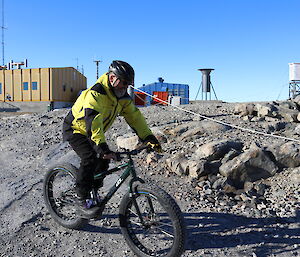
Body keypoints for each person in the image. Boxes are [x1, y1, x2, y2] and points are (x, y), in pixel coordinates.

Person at [63, 60, 161, 217]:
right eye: (123, 83)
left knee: (103, 161)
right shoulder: (96, 94)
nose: (125, 87)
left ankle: (93, 190)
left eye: (128, 84)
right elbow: (93, 122)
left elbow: (135, 117)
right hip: (76, 128)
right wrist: (101, 148)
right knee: (90, 157)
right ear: (112, 78)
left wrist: (148, 137)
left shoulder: (122, 96)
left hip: (92, 131)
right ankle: (80, 197)